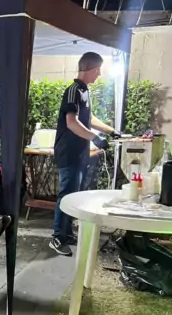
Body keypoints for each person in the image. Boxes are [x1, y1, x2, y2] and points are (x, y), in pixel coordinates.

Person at [50, 52, 120, 257]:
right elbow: (72, 122)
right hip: (68, 152)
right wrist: (95, 138)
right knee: (66, 195)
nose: (99, 74)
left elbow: (89, 118)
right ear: (91, 68)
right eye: (98, 70)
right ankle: (57, 237)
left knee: (74, 195)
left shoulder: (84, 91)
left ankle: (66, 233)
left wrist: (111, 131)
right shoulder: (73, 90)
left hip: (80, 153)